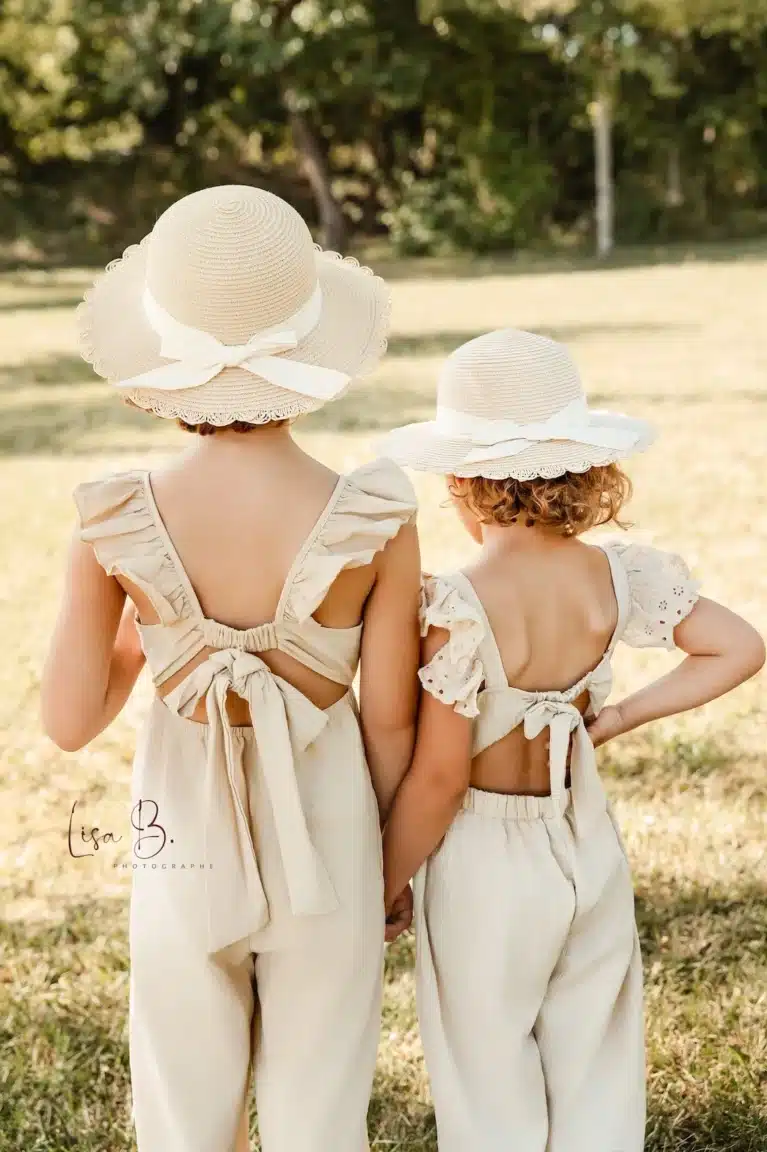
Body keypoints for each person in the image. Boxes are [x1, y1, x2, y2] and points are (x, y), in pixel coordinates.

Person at [41, 185, 421, 1152]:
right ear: (307, 352)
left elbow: (69, 719)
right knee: (319, 1105)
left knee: (182, 1097)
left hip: (182, 847)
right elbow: (388, 717)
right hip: (329, 841)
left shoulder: (116, 518)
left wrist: (158, 631)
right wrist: (385, 856)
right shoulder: (374, 515)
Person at [377, 328, 765, 1152]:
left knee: (487, 1070)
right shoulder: (617, 577)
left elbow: (441, 779)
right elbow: (740, 647)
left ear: (462, 482)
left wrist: (386, 879)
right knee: (595, 1059)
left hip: (485, 865)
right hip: (584, 845)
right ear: (581, 471)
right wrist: (620, 717)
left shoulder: (457, 605)